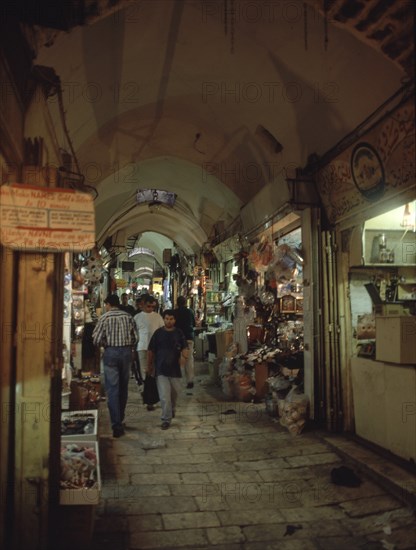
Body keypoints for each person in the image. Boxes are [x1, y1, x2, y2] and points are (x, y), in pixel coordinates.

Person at [92, 294, 137, 438]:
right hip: (126, 352)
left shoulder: (104, 318)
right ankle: (120, 417)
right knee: (123, 387)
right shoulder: (128, 317)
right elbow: (135, 337)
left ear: (109, 304)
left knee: (112, 389)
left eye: (106, 304)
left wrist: (105, 344)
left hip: (110, 353)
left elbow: (96, 339)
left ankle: (116, 424)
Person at [147, 310, 188, 430]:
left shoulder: (179, 333)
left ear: (174, 320)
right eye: (167, 319)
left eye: (171, 319)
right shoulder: (158, 333)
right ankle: (166, 419)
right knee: (165, 396)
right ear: (163, 319)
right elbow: (151, 350)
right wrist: (149, 365)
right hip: (161, 369)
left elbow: (185, 347)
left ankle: (171, 410)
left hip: (175, 370)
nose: (169, 321)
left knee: (174, 395)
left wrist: (184, 358)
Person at [134, 295, 164, 408]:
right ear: (143, 305)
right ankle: (146, 395)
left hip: (155, 348)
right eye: (148, 306)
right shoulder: (137, 317)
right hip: (142, 347)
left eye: (152, 306)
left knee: (154, 372)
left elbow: (162, 331)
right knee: (144, 372)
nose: (150, 308)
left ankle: (152, 396)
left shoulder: (158, 317)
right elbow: (134, 334)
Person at [174, 296, 196, 389]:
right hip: (189, 338)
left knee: (178, 358)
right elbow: (194, 323)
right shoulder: (190, 312)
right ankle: (190, 380)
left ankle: (178, 380)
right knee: (189, 359)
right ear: (185, 302)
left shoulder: (174, 312)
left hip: (177, 338)